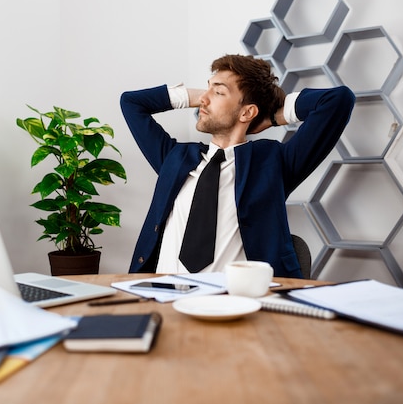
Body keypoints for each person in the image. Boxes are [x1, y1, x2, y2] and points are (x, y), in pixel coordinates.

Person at [120, 54, 355, 278]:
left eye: (219, 91)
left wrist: (272, 117)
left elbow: (338, 100)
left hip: (236, 304)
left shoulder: (273, 165)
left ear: (247, 111)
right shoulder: (174, 157)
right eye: (207, 87)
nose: (204, 98)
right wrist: (202, 95)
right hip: (164, 298)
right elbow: (131, 103)